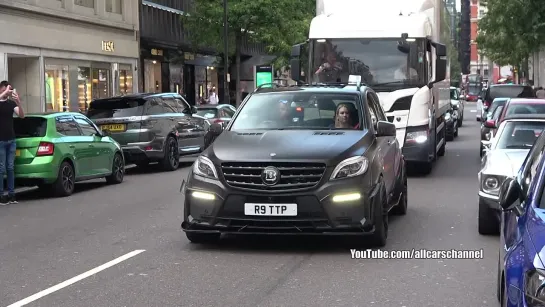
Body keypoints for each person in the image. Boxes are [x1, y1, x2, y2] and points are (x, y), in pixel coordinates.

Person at [0, 81, 24, 205]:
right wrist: (4, 93)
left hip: (11, 140)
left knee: (10, 167)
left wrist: (18, 101)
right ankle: (1, 196)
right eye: (4, 90)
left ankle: (11, 194)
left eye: (8, 90)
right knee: (1, 168)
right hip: (0, 141)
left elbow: (21, 116)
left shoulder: (10, 104)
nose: (6, 92)